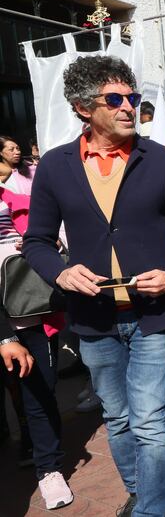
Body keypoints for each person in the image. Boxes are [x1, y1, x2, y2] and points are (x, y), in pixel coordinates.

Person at [22, 55, 165, 517]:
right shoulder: (55, 167)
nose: (128, 107)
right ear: (84, 108)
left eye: (133, 98)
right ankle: (142, 492)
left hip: (154, 314)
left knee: (149, 418)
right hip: (93, 318)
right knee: (117, 418)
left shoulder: (161, 160)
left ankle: (150, 511)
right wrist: (60, 273)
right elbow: (38, 242)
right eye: (115, 99)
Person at [0, 181, 72, 509]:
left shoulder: (20, 197)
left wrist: (44, 245)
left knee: (39, 393)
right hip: (6, 325)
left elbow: (51, 240)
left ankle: (49, 468)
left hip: (30, 311)